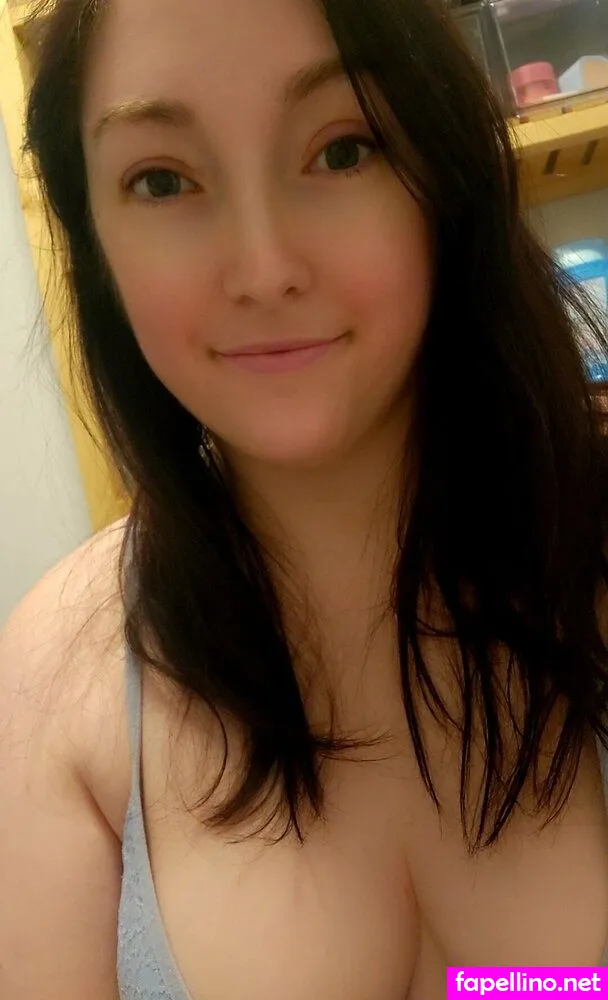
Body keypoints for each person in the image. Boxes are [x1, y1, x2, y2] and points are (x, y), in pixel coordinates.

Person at [1, 0, 608, 996]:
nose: (265, 269)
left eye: (342, 150)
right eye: (162, 180)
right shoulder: (53, 683)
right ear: (94, 243)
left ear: (443, 174)